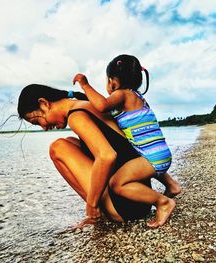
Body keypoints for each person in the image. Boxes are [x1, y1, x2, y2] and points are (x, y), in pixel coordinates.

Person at [17, 84, 176, 227]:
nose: (44, 128)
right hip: (139, 201)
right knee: (70, 142)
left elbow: (107, 156)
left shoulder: (76, 115)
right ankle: (101, 207)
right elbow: (129, 146)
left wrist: (91, 205)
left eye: (38, 122)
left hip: (125, 208)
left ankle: (96, 212)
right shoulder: (88, 105)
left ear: (44, 103)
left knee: (57, 148)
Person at [73, 54, 181, 198]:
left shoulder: (121, 95)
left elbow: (102, 105)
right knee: (139, 153)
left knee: (117, 184)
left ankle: (162, 202)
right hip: (161, 154)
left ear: (113, 82)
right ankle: (171, 185)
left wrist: (85, 85)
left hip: (152, 158)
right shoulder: (137, 97)